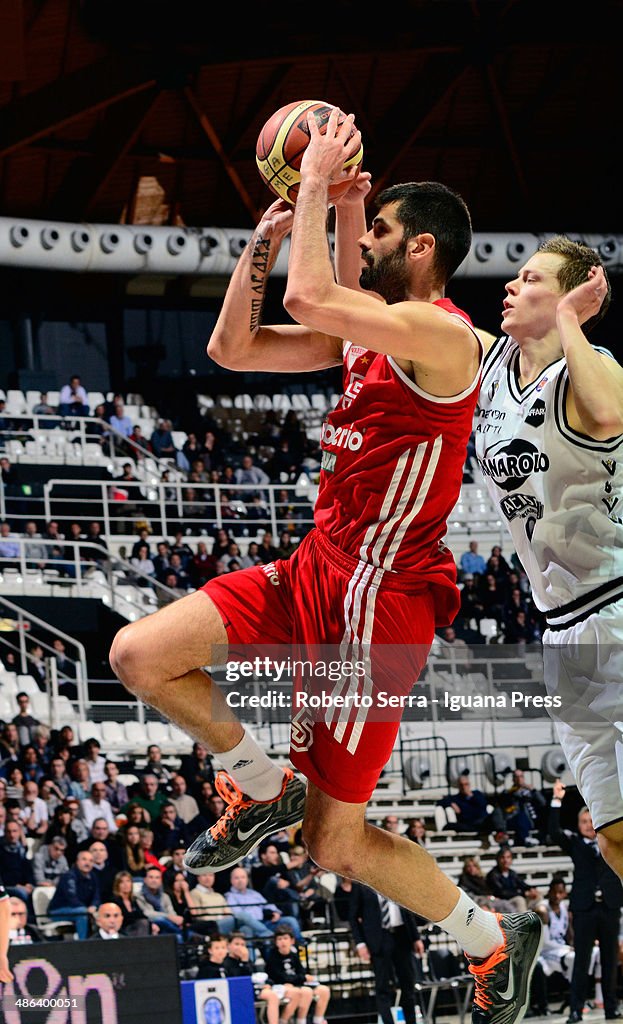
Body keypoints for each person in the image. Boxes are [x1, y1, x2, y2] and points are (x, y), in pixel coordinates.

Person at [109, 115, 542, 1024]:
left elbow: (314, 298)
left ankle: (490, 937)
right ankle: (265, 785)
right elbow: (234, 347)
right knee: (138, 655)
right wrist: (264, 243)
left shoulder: (440, 336)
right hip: (314, 566)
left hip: (375, 606)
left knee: (332, 846)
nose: (365, 238)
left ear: (421, 248)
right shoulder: (368, 334)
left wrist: (315, 181)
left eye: (378, 229)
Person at [473, 236, 623, 884]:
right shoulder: (487, 365)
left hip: (616, 607)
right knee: (611, 834)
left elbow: (610, 410)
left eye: (529, 277)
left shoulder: (597, 369)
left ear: (569, 294)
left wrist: (569, 321)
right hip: (560, 634)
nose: (509, 285)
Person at [548, 779, 622, 1023]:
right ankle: (576, 1009)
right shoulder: (575, 844)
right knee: (582, 961)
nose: (589, 825)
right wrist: (557, 800)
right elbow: (553, 832)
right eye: (584, 821)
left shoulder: (610, 840)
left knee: (610, 960)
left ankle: (611, 1007)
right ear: (579, 825)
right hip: (584, 909)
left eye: (592, 821)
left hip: (610, 906)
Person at [349, 879, 423, 1024]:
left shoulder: (394, 878)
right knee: (383, 986)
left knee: (407, 984)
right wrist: (360, 944)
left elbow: (408, 910)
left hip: (402, 936)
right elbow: (353, 916)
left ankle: (411, 1021)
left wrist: (416, 937)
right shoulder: (361, 883)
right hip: (379, 938)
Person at [264, 924, 332, 1024]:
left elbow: (301, 971)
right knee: (306, 992)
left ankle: (318, 1019)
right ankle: (297, 1021)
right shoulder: (272, 956)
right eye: (280, 939)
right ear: (276, 942)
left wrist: (302, 978)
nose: (283, 941)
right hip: (280, 986)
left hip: (297, 983)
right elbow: (281, 977)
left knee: (324, 990)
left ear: (292, 941)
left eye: (285, 938)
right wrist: (302, 978)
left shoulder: (293, 955)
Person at [47, 849, 100, 940]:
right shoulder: (69, 876)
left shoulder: (93, 876)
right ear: (77, 861)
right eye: (84, 859)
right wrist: (87, 909)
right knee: (82, 912)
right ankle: (83, 943)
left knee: (104, 909)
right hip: (58, 911)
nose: (87, 863)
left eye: (91, 861)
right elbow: (71, 898)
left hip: (82, 909)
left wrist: (94, 906)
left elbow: (97, 896)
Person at [110, 870, 154, 936]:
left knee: (146, 924)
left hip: (136, 928)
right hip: (122, 930)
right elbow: (124, 919)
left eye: (128, 881)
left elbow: (142, 914)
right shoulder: (114, 901)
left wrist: (152, 924)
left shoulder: (133, 900)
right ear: (117, 885)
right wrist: (135, 916)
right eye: (122, 882)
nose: (126, 884)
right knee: (143, 923)